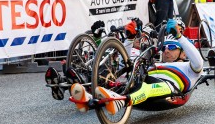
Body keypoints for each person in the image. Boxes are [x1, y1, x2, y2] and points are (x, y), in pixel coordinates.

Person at [69, 19, 204, 114]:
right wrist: (129, 39)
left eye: (173, 47)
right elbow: (125, 64)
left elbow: (198, 62)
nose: (167, 50)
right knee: (119, 81)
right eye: (164, 47)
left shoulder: (189, 67)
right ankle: (87, 98)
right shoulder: (155, 63)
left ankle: (120, 101)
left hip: (168, 88)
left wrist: (179, 37)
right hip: (141, 82)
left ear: (183, 53)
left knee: (148, 87)